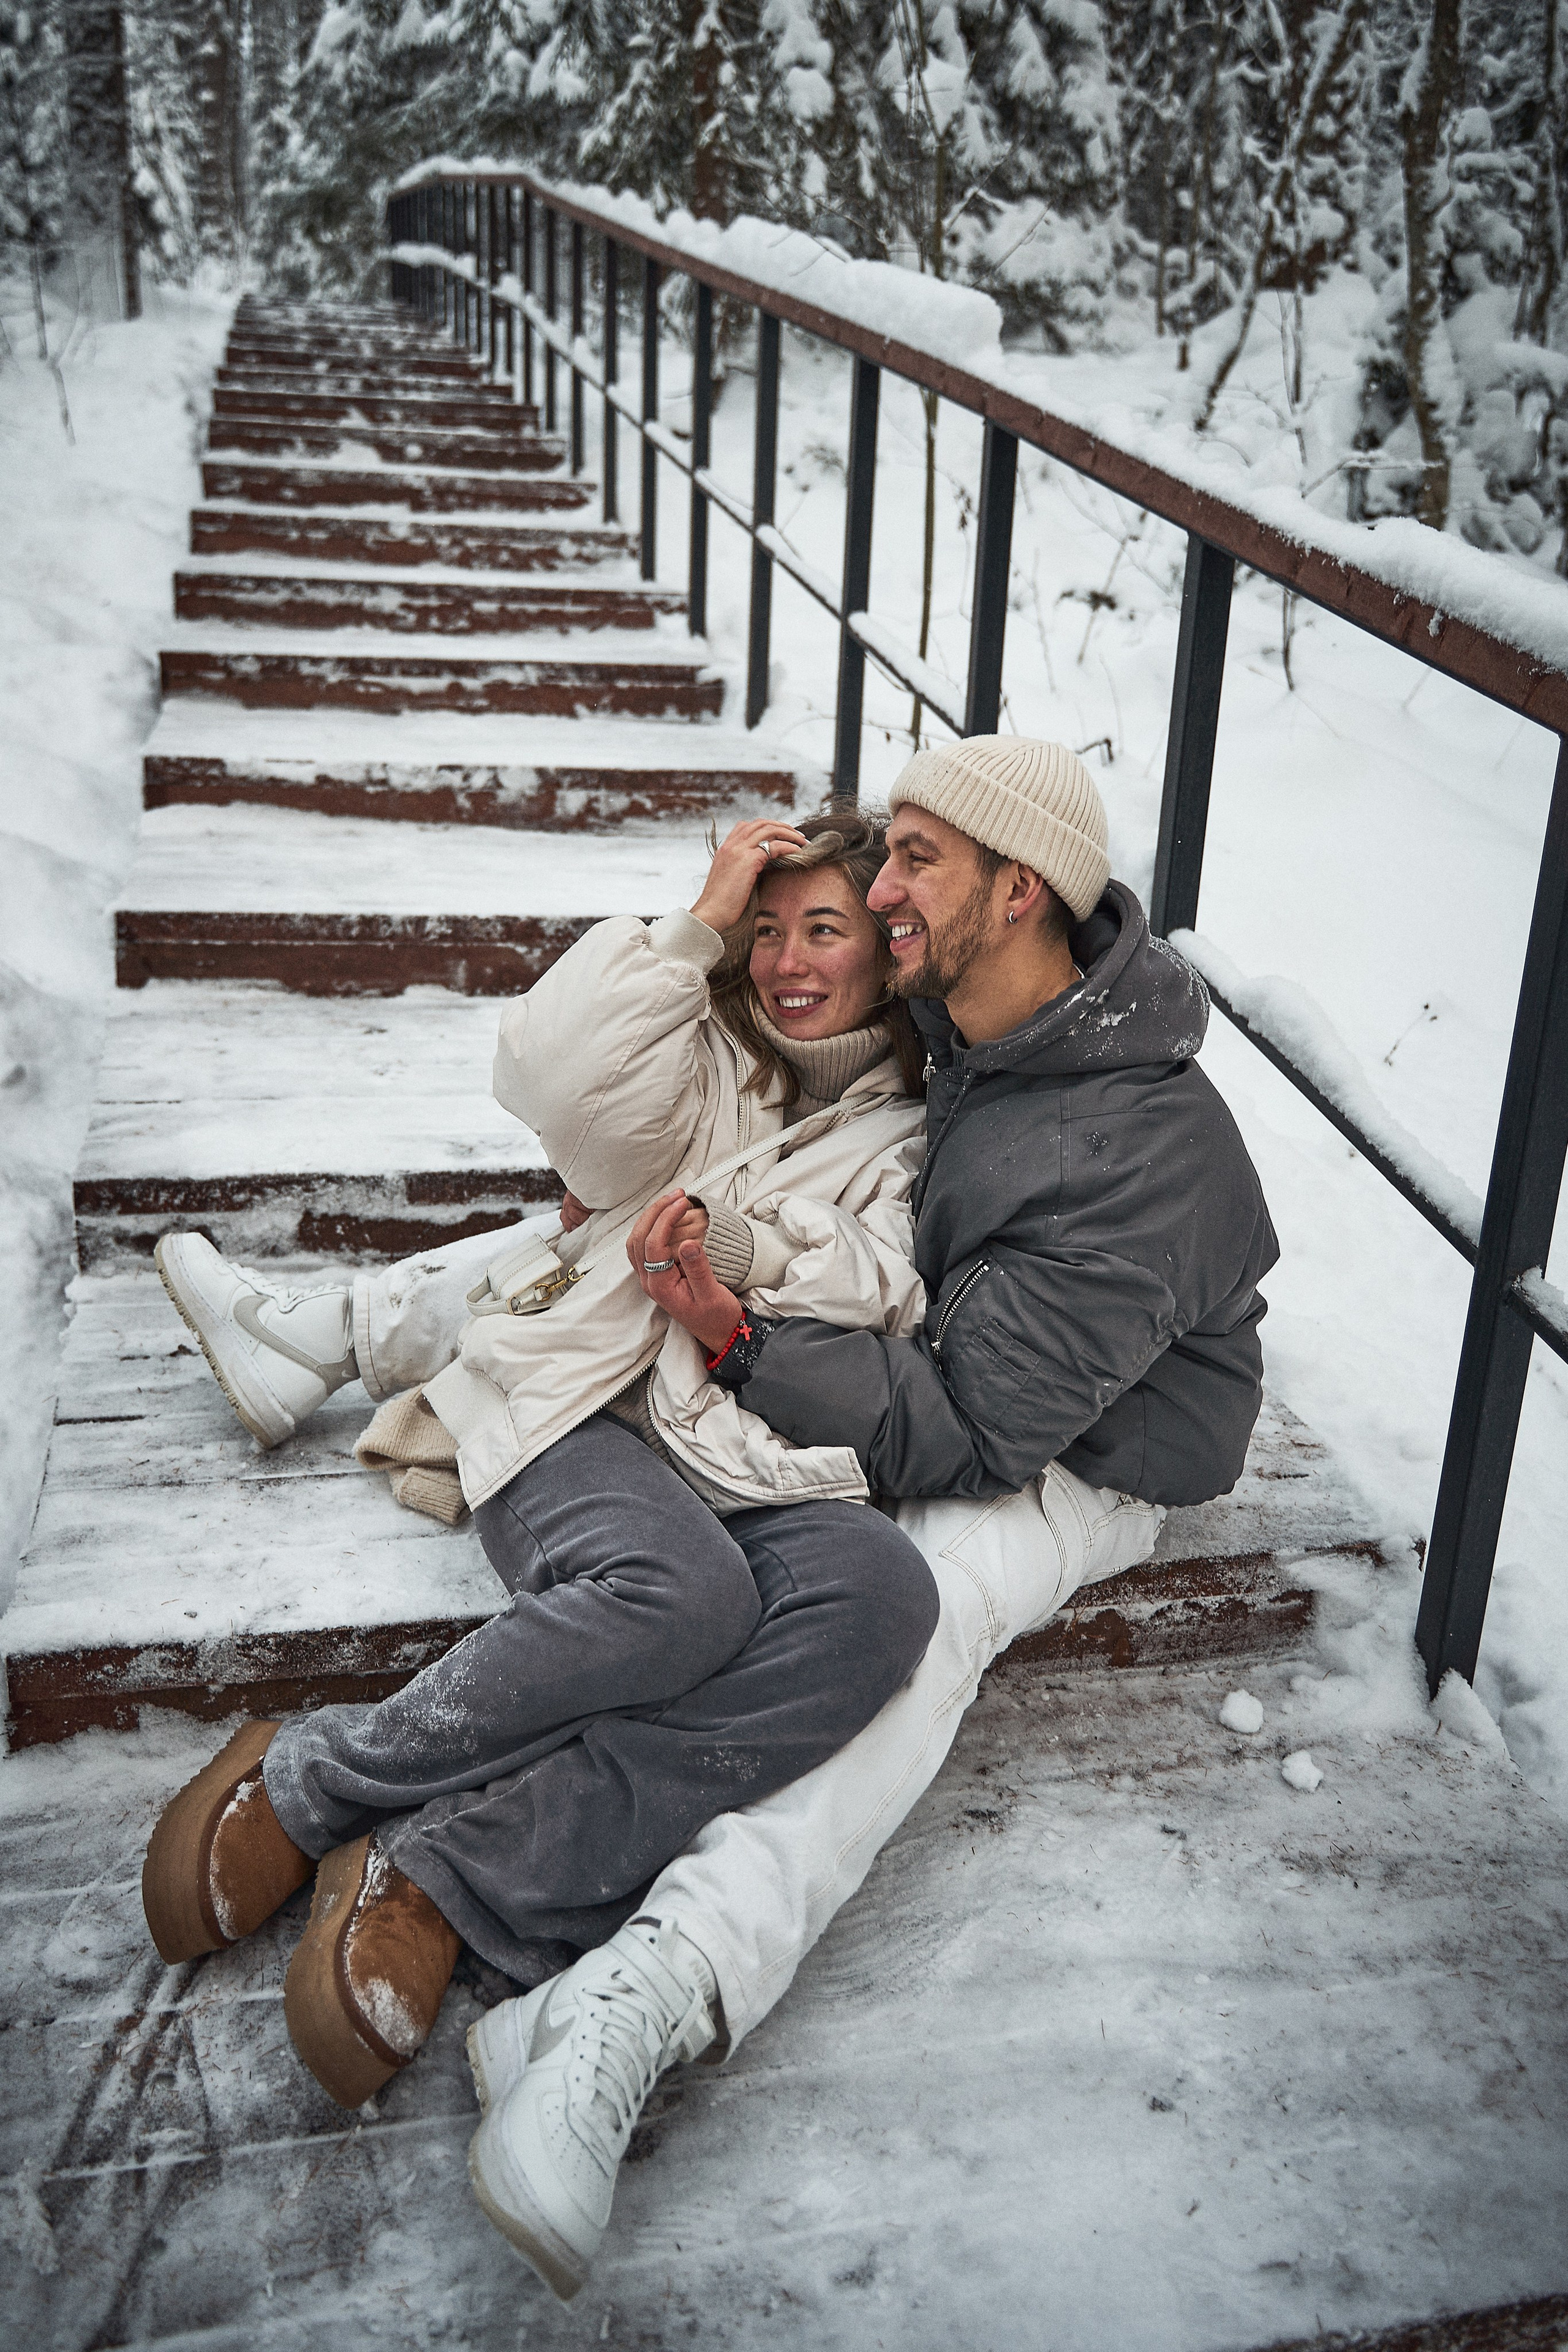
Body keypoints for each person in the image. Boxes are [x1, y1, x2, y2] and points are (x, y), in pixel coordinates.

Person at [459, 736, 1280, 2302]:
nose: (875, 890)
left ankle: (647, 1992)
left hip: (1076, 1452)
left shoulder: (1130, 1148)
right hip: (954, 1355)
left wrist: (749, 1338)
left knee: (922, 1607)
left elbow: (973, 1429)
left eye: (911, 860)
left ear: (1016, 889)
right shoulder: (979, 1016)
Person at [139, 813, 941, 2130]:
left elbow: (881, 1283)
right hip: (579, 1410)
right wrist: (694, 926)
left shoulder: (902, 1130)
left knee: (882, 1593)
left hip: (737, 1440)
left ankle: (460, 1870)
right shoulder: (702, 1052)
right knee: (679, 1595)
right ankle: (314, 1782)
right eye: (770, 926)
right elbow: (557, 1086)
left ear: (883, 955)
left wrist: (744, 1250)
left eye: (826, 930)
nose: (791, 960)